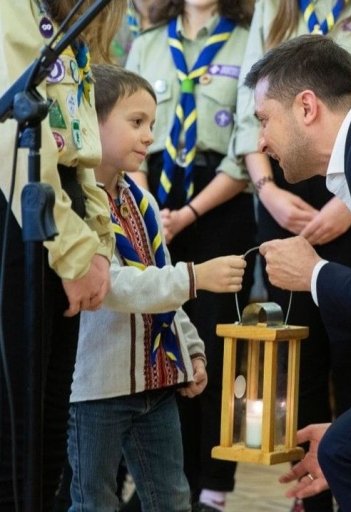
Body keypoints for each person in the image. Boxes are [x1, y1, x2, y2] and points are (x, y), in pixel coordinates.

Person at [234, 2, 351, 510]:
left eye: (264, 120)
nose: (260, 141)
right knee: (350, 442)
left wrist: (314, 274)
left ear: (307, 107)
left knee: (347, 454)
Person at [65, 63, 246, 512]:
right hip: (96, 389)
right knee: (93, 502)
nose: (149, 136)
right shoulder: (74, 203)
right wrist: (194, 276)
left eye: (152, 123)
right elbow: (108, 286)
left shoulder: (142, 201)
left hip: (158, 382)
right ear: (92, 123)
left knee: (172, 499)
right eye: (136, 122)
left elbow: (160, 282)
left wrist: (192, 352)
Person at [126, 2, 256, 511]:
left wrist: (189, 214)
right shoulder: (149, 42)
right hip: (152, 195)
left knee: (215, 348)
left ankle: (214, 486)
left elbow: (246, 145)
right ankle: (168, 479)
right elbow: (123, 126)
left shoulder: (248, 39)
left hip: (219, 202)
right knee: (162, 342)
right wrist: (148, 206)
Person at [0, 1, 126, 510]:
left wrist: (99, 243)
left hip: (64, 217)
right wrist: (74, 255)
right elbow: (12, 136)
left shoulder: (69, 25)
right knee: (16, 423)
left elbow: (81, 145)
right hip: (21, 214)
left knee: (51, 421)